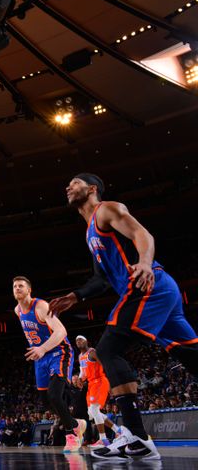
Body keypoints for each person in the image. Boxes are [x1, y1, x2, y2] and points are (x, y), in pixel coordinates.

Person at [50, 173, 198, 461]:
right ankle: (136, 436)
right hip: (161, 291)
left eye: (76, 182)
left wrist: (143, 263)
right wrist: (76, 296)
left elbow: (143, 234)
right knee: (191, 355)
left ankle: (137, 436)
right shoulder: (90, 231)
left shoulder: (107, 209)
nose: (69, 186)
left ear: (92, 188)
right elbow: (101, 278)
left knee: (106, 349)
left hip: (146, 284)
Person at [12, 276, 86, 453]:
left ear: (29, 290)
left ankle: (72, 435)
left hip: (58, 351)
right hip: (41, 357)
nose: (17, 288)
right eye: (14, 286)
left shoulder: (40, 306)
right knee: (46, 402)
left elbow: (61, 331)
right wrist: (39, 350)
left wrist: (43, 348)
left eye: (21, 286)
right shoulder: (17, 310)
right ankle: (77, 424)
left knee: (54, 394)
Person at [73, 335, 124, 448]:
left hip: (100, 381)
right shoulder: (80, 356)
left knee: (94, 410)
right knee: (92, 413)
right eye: (77, 340)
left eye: (81, 339)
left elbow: (105, 365)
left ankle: (103, 440)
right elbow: (83, 372)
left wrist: (110, 383)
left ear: (86, 341)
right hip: (91, 384)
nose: (79, 341)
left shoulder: (92, 352)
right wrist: (80, 379)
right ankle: (118, 430)